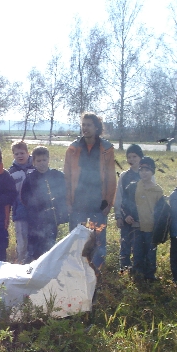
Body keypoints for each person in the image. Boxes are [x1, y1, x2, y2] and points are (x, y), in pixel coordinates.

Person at [64, 112, 116, 270]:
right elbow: (67, 177)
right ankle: (75, 270)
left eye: (89, 125)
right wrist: (68, 202)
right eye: (83, 125)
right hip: (78, 201)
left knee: (98, 240)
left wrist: (108, 203)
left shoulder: (106, 149)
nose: (85, 128)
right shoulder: (73, 149)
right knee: (76, 238)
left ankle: (95, 272)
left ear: (97, 127)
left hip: (98, 202)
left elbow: (111, 178)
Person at [20, 146, 68, 261]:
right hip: (35, 220)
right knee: (34, 249)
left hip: (52, 220)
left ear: (48, 159)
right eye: (39, 160)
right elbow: (24, 198)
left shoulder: (57, 175)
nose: (42, 163)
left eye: (44, 160)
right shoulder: (30, 178)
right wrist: (35, 206)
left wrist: (60, 211)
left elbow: (64, 194)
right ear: (33, 161)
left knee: (49, 247)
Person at [121, 157, 164, 282]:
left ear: (152, 172)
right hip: (136, 227)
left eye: (147, 170)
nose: (144, 173)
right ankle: (138, 276)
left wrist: (159, 228)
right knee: (137, 252)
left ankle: (150, 276)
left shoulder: (158, 190)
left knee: (151, 253)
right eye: (141, 170)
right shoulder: (133, 187)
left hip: (151, 228)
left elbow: (161, 211)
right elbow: (124, 204)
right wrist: (127, 215)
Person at [114, 144, 145, 272]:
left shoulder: (146, 175)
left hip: (141, 219)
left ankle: (138, 270)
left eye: (134, 156)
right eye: (129, 157)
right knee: (125, 243)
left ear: (141, 157)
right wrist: (120, 215)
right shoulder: (124, 176)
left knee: (139, 245)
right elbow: (119, 196)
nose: (131, 159)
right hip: (126, 216)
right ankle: (124, 268)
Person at [8, 141, 35, 263]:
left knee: (34, 238)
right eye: (16, 154)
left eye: (22, 153)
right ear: (13, 155)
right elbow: (10, 193)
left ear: (28, 153)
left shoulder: (34, 168)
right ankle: (21, 261)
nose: (20, 156)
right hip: (19, 211)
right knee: (21, 239)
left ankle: (33, 263)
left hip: (35, 211)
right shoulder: (11, 172)